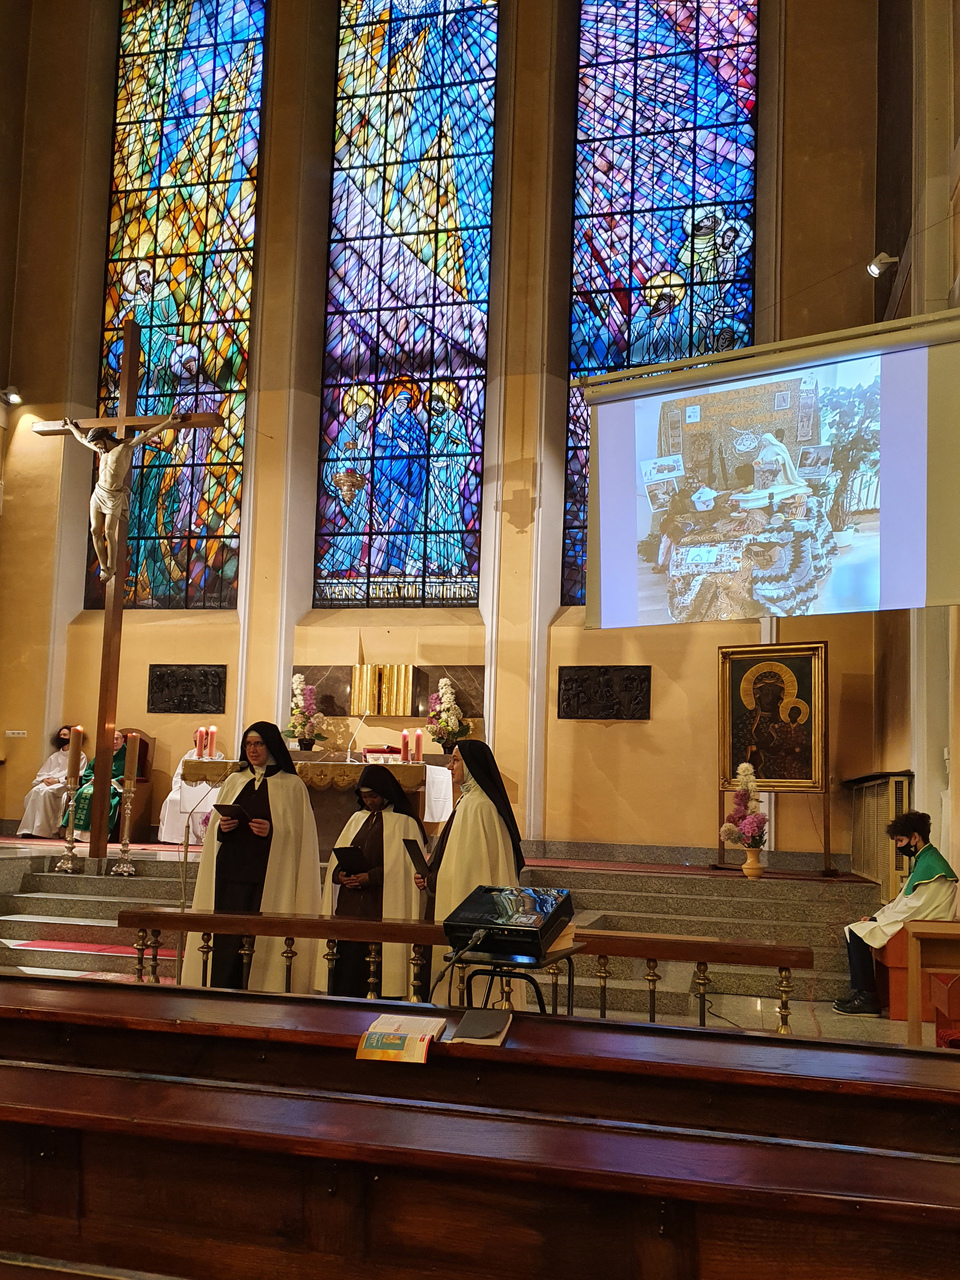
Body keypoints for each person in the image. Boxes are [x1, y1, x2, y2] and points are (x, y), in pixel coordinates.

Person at [183, 723, 321, 993]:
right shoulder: (235, 780)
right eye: (248, 744)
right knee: (226, 936)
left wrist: (273, 831)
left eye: (258, 744)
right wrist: (222, 828)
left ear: (271, 746)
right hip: (230, 873)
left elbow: (300, 837)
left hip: (266, 877)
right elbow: (216, 830)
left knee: (258, 936)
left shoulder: (291, 785)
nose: (252, 750)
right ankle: (222, 988)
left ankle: (259, 989)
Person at [317, 764, 427, 999]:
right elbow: (338, 858)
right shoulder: (356, 819)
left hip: (380, 903)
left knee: (376, 958)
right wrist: (341, 875)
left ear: (385, 793)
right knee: (349, 959)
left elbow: (405, 868)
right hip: (350, 904)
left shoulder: (404, 822)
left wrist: (372, 877)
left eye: (373, 797)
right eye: (364, 797)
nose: (369, 802)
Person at [834, 811, 959, 1016]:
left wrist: (879, 920)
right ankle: (863, 992)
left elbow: (915, 908)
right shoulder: (924, 860)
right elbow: (903, 901)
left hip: (924, 924)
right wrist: (876, 918)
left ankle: (868, 998)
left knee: (857, 934)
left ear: (915, 837)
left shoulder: (932, 867)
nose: (899, 846)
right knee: (855, 930)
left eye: (900, 841)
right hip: (916, 919)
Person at [416, 739, 524, 933]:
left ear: (472, 765)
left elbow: (469, 871)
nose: (449, 767)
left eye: (455, 760)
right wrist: (429, 876)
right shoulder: (467, 800)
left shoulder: (479, 806)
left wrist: (432, 879)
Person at [156, 730, 226, 851]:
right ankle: (174, 837)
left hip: (208, 792)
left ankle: (201, 837)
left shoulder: (218, 756)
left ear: (207, 739)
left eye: (199, 740)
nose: (196, 743)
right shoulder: (189, 755)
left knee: (207, 802)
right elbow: (179, 775)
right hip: (187, 789)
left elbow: (219, 778)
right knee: (173, 800)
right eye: (194, 741)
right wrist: (180, 789)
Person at [17, 726, 87, 838]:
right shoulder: (55, 756)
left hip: (64, 784)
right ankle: (30, 829)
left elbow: (79, 773)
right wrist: (44, 779)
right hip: (49, 782)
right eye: (61, 735)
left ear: (72, 737)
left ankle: (45, 831)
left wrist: (58, 780)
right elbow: (43, 772)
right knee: (35, 791)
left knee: (47, 793)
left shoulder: (80, 755)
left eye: (65, 735)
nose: (62, 737)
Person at [73, 731, 126, 839]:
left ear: (122, 740)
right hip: (95, 783)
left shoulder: (128, 756)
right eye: (112, 739)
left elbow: (131, 774)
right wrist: (93, 778)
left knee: (102, 794)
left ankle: (98, 833)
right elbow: (89, 771)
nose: (114, 741)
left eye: (117, 739)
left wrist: (110, 781)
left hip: (113, 786)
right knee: (82, 792)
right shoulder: (102, 754)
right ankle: (77, 833)